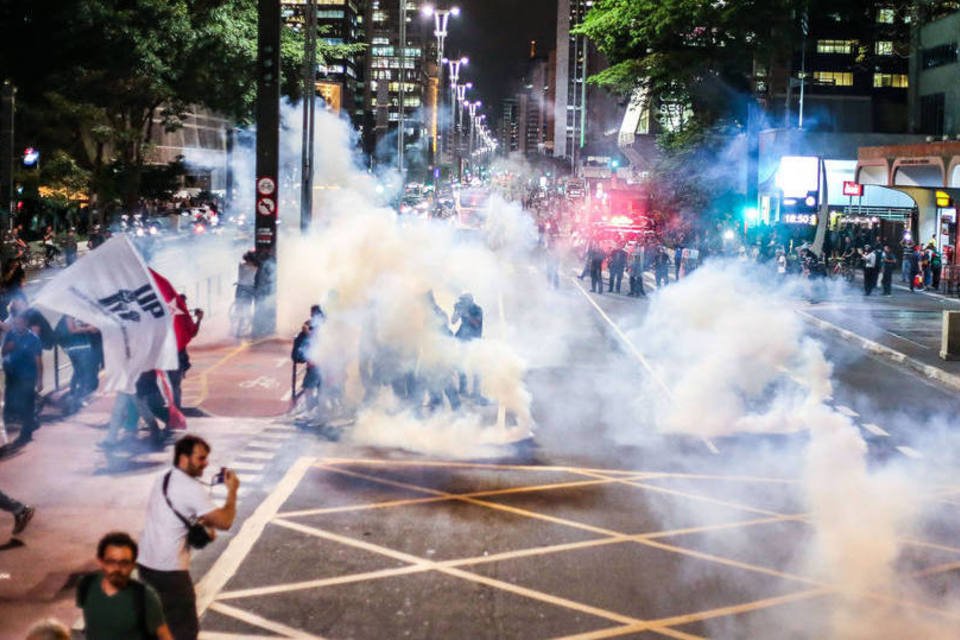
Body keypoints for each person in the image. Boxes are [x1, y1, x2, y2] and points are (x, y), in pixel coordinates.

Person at [138, 435, 239, 640]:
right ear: (184, 458)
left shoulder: (164, 478)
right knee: (184, 630)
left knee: (155, 625)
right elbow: (225, 521)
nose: (206, 463)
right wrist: (232, 492)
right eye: (201, 458)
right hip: (169, 572)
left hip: (145, 565)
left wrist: (200, 524)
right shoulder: (191, 488)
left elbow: (175, 515)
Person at [77, 531, 173, 640]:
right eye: (111, 562)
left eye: (124, 563)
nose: (117, 569)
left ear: (133, 565)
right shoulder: (87, 584)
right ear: (101, 562)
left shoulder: (144, 596)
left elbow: (164, 636)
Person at [2, 312, 42, 443]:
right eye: (16, 323)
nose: (18, 325)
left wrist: (40, 380)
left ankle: (27, 432)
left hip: (28, 376)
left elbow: (38, 361)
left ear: (26, 323)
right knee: (13, 403)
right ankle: (30, 421)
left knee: (27, 404)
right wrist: (7, 348)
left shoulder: (34, 339)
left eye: (20, 322)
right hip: (13, 375)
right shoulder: (11, 335)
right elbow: (3, 352)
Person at [452, 293, 484, 398]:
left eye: (464, 301)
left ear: (470, 302)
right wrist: (457, 312)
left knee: (476, 367)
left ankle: (476, 393)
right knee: (460, 365)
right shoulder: (461, 308)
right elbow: (453, 321)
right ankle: (463, 388)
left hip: (474, 341)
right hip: (462, 339)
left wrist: (466, 315)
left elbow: (475, 324)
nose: (462, 303)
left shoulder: (477, 310)